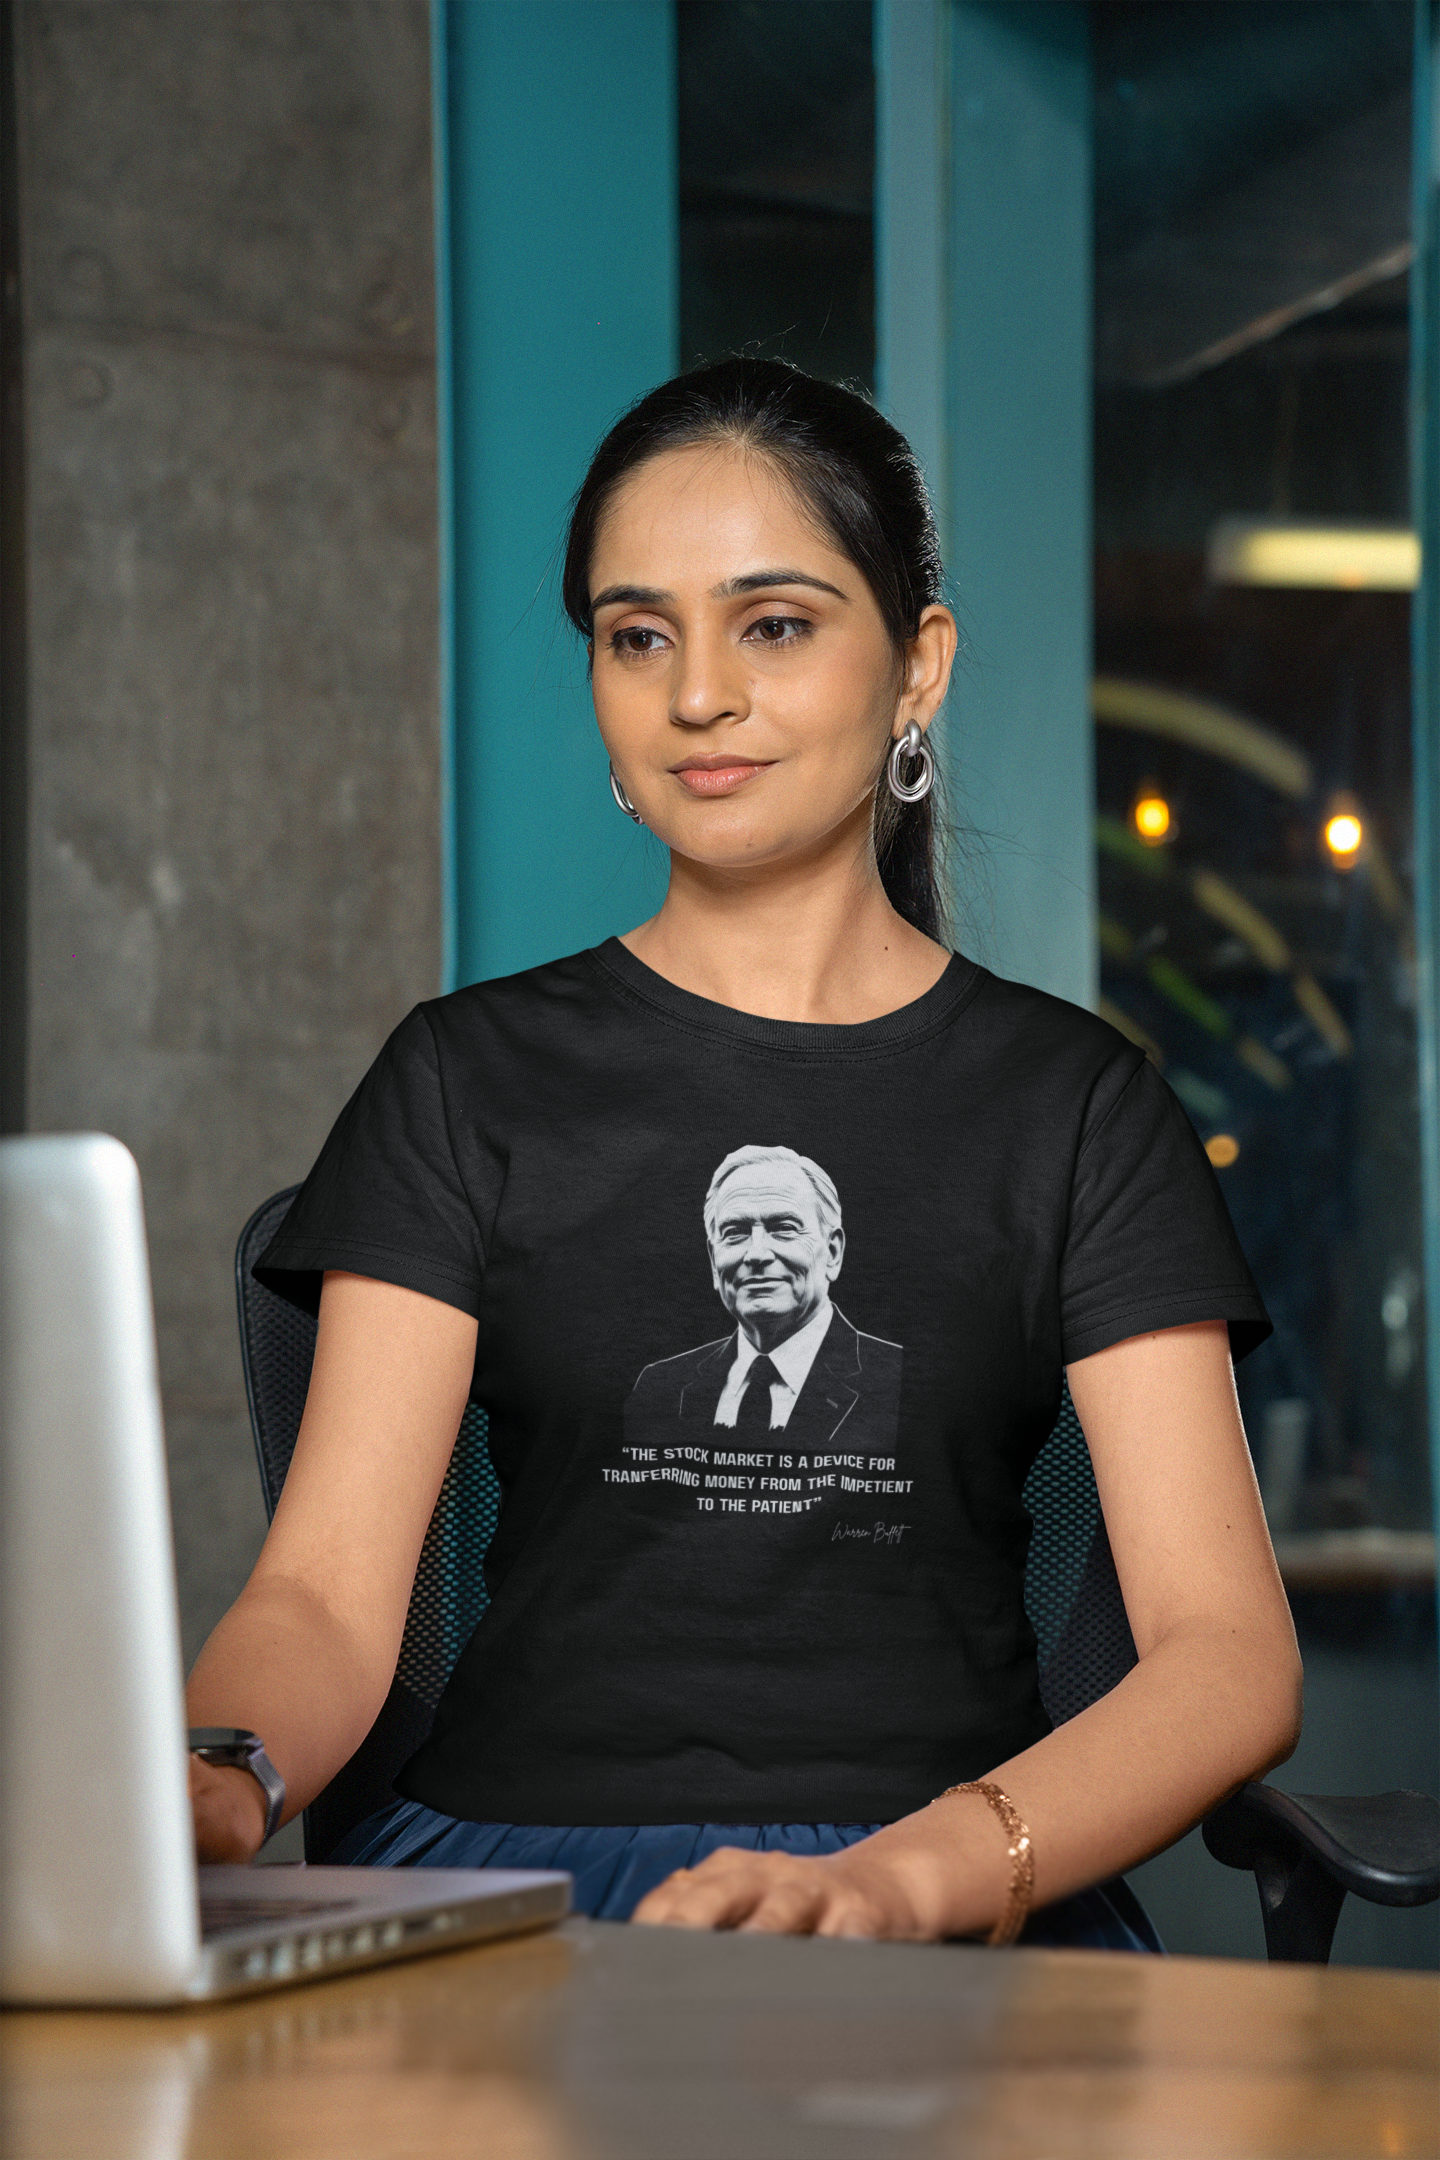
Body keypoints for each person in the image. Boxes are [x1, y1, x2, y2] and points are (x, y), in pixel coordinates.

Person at [188, 358, 1300, 1948]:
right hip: (528, 1887)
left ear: (918, 667)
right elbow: (322, 1601)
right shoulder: (463, 1079)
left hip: (941, 1884)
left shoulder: (1077, 1108)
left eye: (772, 625)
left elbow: (1226, 1656)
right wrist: (215, 1779)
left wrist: (907, 1879)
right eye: (638, 636)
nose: (696, 695)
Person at [621, 1142, 904, 1457]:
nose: (756, 1254)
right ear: (714, 1261)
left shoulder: (899, 1381)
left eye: (784, 1228)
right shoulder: (660, 1387)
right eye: (735, 1232)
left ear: (832, 1252)